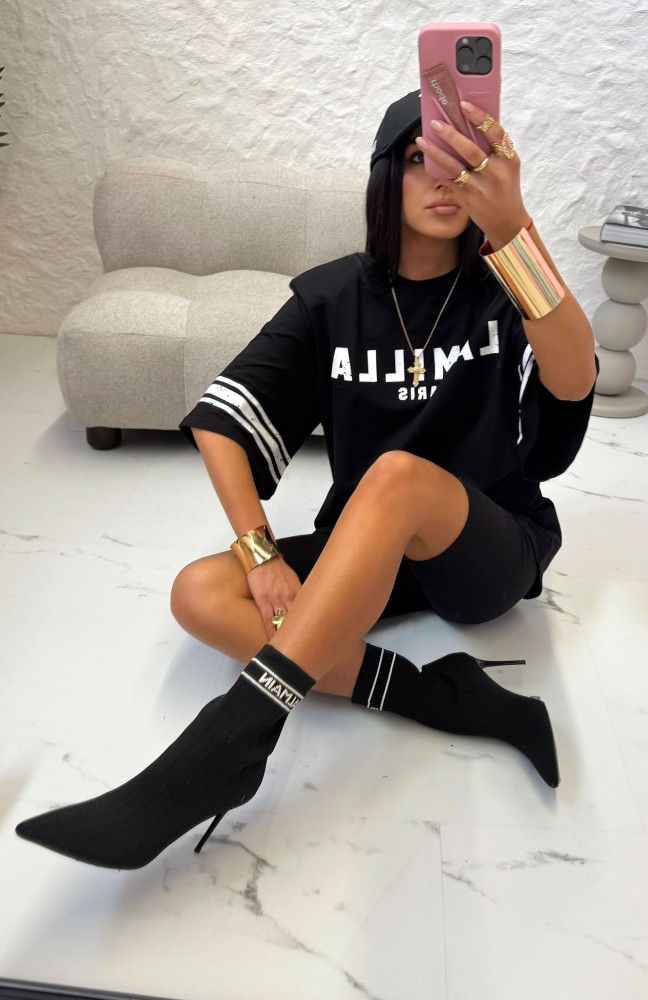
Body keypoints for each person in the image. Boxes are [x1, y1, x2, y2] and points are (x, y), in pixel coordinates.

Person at [16, 92, 597, 869]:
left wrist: (515, 227)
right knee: (200, 592)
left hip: (485, 551)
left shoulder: (508, 289)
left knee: (394, 476)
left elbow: (572, 378)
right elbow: (221, 422)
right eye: (420, 158)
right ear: (384, 177)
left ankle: (229, 743)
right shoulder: (331, 298)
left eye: (464, 162)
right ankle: (441, 695)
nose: (443, 178)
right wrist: (260, 555)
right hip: (373, 552)